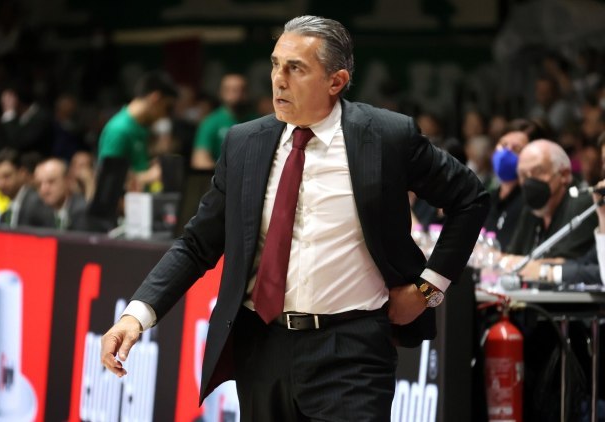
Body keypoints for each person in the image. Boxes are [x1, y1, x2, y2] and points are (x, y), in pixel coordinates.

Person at [100, 16, 489, 420]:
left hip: (351, 349)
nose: (278, 80)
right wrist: (136, 316)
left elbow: (470, 198)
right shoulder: (244, 144)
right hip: (261, 347)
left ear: (336, 81)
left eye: (295, 68)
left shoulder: (386, 137)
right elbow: (197, 244)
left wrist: (428, 290)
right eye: (275, 64)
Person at [503, 140, 597, 273]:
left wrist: (511, 262)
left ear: (564, 174)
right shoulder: (532, 208)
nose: (529, 181)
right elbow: (511, 255)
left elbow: (565, 265)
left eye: (538, 171)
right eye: (523, 175)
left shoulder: (583, 204)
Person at [97, 70, 178, 191]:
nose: (165, 116)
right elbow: (108, 179)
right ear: (155, 98)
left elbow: (133, 168)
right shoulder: (119, 129)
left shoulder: (140, 128)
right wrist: (148, 176)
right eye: (168, 108)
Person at [484, 118, 549, 249]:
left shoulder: (532, 204)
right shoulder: (487, 199)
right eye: (503, 145)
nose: (505, 153)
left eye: (516, 149)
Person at [191, 73, 257, 170]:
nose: (236, 95)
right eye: (230, 90)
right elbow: (200, 160)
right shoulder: (210, 122)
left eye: (241, 90)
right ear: (221, 93)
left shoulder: (258, 122)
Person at [0, 148, 47, 228]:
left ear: (22, 173)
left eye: (6, 176)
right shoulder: (6, 213)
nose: (0, 184)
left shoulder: (37, 203)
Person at [32, 157, 87, 230]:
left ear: (68, 180)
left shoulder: (84, 212)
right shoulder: (38, 212)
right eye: (39, 185)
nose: (43, 190)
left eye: (51, 182)